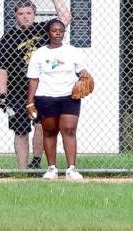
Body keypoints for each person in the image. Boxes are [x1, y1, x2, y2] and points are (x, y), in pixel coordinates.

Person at [0, 0, 72, 169]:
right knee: (20, 131)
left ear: (34, 14)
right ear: (16, 16)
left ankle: (36, 162)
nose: (25, 16)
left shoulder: (43, 30)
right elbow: (1, 68)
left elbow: (65, 18)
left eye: (28, 13)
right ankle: (22, 169)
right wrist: (2, 94)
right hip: (17, 91)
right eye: (21, 13)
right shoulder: (7, 38)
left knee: (42, 127)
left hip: (42, 89)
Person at [25, 19, 91, 180]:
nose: (58, 33)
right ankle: (52, 168)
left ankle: (71, 169)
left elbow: (81, 70)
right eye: (54, 30)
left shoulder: (73, 51)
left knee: (69, 129)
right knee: (49, 131)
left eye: (61, 30)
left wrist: (84, 75)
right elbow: (33, 79)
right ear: (48, 32)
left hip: (69, 96)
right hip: (46, 96)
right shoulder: (39, 53)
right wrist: (30, 103)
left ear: (64, 33)